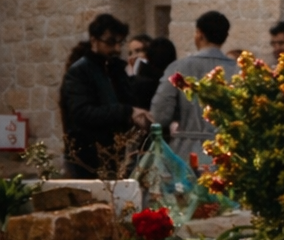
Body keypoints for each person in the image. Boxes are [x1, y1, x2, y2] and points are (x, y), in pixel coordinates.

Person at [59, 13, 152, 178]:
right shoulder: (79, 72)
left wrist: (139, 114)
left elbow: (128, 100)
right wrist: (126, 112)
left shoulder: (116, 69)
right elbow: (82, 113)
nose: (116, 49)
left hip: (114, 156)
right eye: (110, 42)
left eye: (119, 43)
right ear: (94, 41)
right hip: (86, 158)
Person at [151, 11, 239, 167]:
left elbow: (159, 114)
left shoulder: (179, 67)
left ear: (199, 34)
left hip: (186, 152)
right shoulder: (237, 71)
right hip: (228, 151)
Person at [130, 37, 178, 111]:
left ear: (147, 56)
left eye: (138, 51)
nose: (133, 57)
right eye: (130, 53)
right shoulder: (175, 83)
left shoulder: (138, 82)